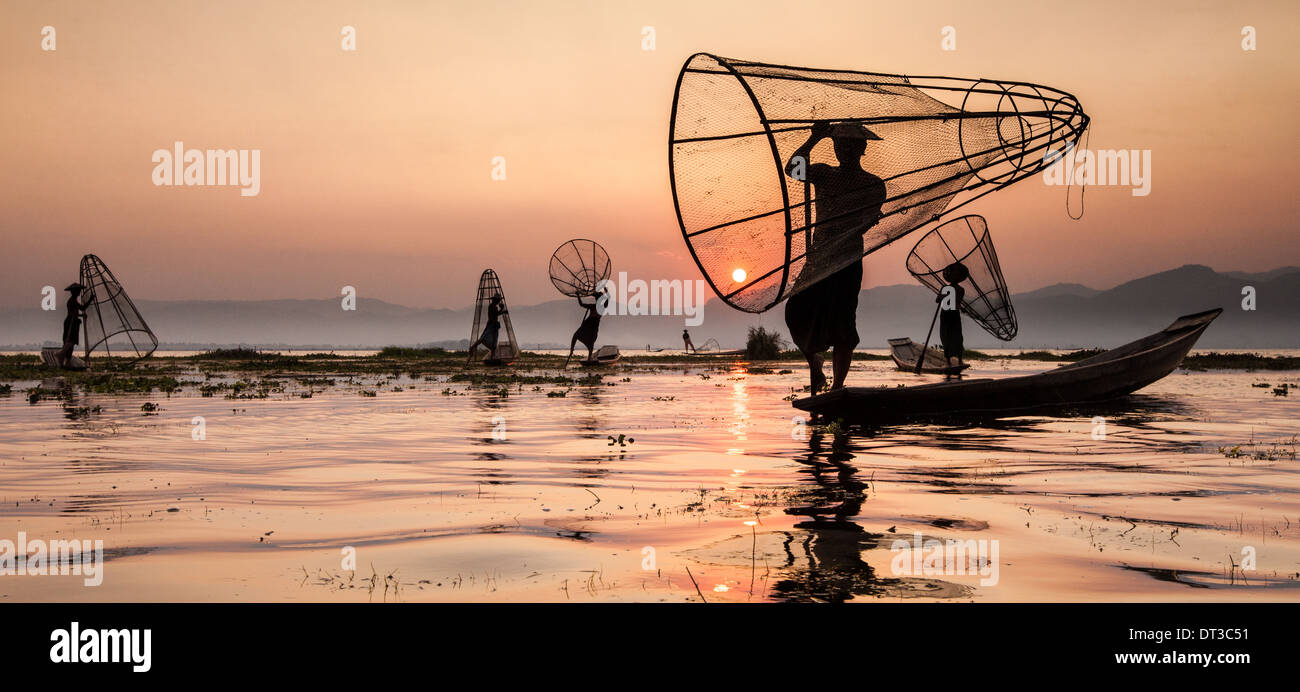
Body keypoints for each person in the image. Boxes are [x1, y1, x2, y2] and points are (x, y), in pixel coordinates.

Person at [783, 122, 887, 392]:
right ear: (835, 148)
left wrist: (857, 225)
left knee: (843, 323)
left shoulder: (873, 184)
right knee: (797, 312)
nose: (846, 150)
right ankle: (816, 367)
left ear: (862, 149)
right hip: (818, 258)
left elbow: (865, 221)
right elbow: (793, 169)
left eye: (852, 146)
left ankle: (837, 386)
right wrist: (814, 137)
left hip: (847, 259)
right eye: (840, 145)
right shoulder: (824, 174)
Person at [937, 262, 969, 376]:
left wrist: (961, 307)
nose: (954, 277)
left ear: (959, 277)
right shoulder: (944, 288)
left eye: (957, 275)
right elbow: (937, 300)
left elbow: (957, 302)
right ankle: (948, 361)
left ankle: (959, 359)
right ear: (950, 276)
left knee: (957, 337)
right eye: (953, 274)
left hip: (954, 314)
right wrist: (942, 296)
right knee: (946, 337)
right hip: (945, 315)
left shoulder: (960, 289)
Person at [565, 286, 606, 366]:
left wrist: (606, 293)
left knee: (591, 342)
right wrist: (578, 296)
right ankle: (572, 350)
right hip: (588, 323)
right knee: (576, 335)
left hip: (594, 324)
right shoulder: (593, 306)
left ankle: (589, 359)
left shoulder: (602, 306)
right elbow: (581, 304)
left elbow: (607, 300)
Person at [57, 283, 91, 369]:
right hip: (71, 322)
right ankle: (61, 354)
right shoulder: (72, 301)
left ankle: (67, 362)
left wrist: (80, 316)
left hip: (73, 321)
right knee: (70, 341)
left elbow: (76, 311)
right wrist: (91, 299)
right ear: (74, 292)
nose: (79, 292)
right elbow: (81, 309)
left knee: (72, 343)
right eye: (78, 291)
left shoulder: (74, 301)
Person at [466, 294, 507, 364]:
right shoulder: (492, 306)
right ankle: (472, 348)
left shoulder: (494, 307)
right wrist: (502, 310)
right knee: (483, 338)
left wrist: (502, 310)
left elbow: (496, 314)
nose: (499, 301)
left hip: (494, 326)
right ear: (495, 300)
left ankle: (492, 359)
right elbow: (495, 314)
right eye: (498, 300)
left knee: (493, 345)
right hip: (491, 325)